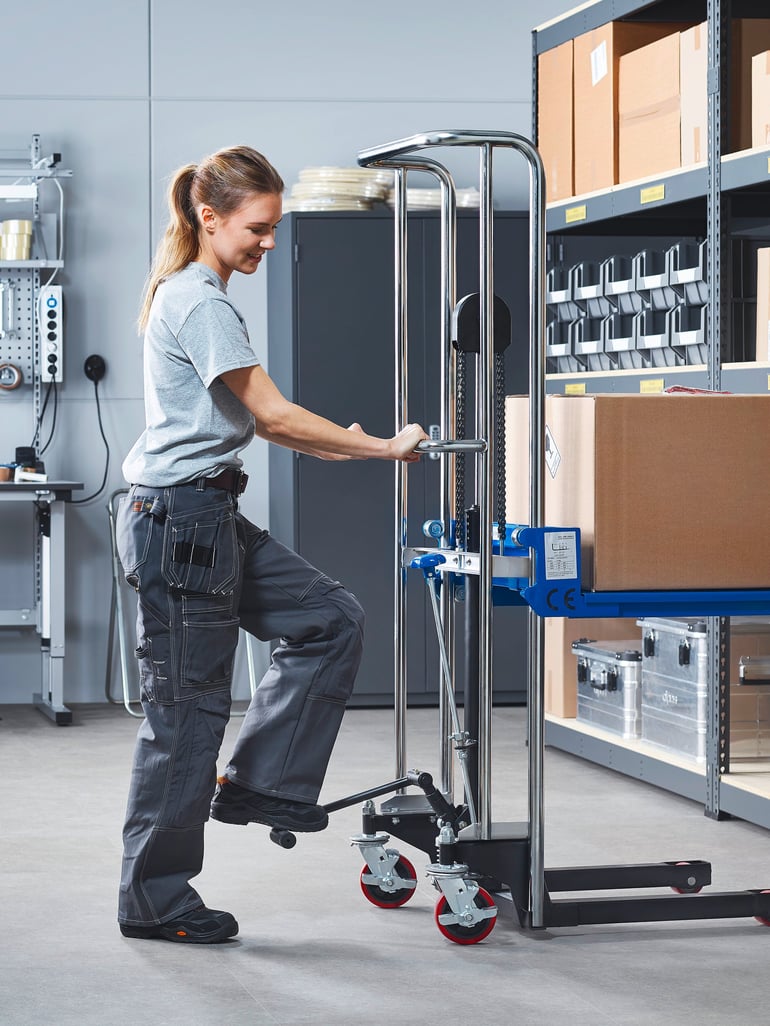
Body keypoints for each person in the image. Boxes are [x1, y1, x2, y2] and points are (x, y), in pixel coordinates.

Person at [116, 145, 427, 944]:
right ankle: (154, 899)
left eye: (275, 229)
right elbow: (275, 413)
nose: (267, 243)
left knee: (329, 618)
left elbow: (251, 423)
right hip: (180, 525)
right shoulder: (200, 301)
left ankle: (262, 785)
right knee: (185, 717)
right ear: (208, 217)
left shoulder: (199, 294)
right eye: (257, 229)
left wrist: (341, 445)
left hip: (206, 518)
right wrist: (385, 448)